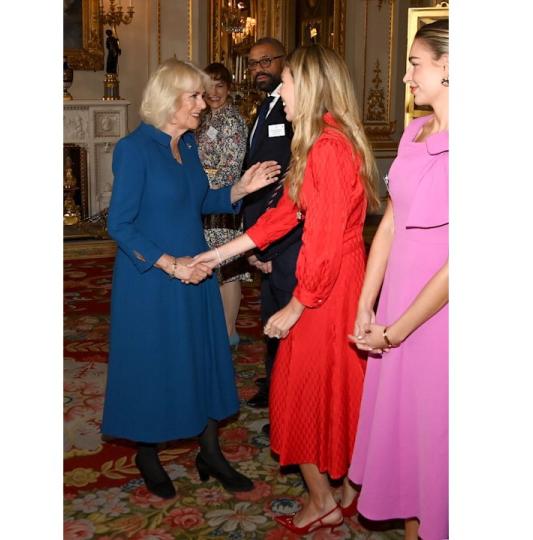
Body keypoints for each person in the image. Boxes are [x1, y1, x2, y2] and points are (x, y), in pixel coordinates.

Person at [192, 45, 380, 535]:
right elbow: (283, 216)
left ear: (311, 86)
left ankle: (323, 500)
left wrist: (298, 304)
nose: (280, 90)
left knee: (298, 389)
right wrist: (217, 255)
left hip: (328, 287)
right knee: (334, 388)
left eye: (288, 81)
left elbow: (321, 241)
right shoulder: (319, 141)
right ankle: (342, 493)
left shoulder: (329, 148)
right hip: (331, 281)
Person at [102, 58, 282, 500]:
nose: (204, 103)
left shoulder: (189, 147)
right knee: (154, 362)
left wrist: (239, 189)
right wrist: (169, 263)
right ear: (169, 100)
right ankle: (148, 452)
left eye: (203, 95)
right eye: (195, 96)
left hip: (196, 271)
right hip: (153, 279)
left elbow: (199, 201)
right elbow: (120, 225)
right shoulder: (134, 148)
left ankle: (210, 450)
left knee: (203, 357)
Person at [348, 19, 450, 540]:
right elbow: (390, 221)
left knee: (438, 437)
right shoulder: (414, 131)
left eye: (415, 63)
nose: (407, 75)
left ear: (449, 67)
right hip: (397, 308)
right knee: (410, 437)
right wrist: (369, 304)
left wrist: (397, 330)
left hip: (439, 319)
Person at [240, 37, 299, 419]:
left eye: (265, 61)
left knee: (287, 319)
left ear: (284, 61)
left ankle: (287, 396)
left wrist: (268, 244)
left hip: (283, 235)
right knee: (271, 316)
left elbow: (290, 184)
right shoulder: (267, 105)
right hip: (264, 230)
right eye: (253, 63)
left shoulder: (295, 111)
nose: (258, 68)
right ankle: (275, 383)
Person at [197, 62, 250, 348]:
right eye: (208, 86)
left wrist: (205, 188)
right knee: (210, 267)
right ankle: (215, 326)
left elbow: (231, 168)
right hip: (201, 203)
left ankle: (229, 330)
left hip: (223, 202)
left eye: (219, 86)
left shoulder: (232, 121)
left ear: (229, 88)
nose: (213, 92)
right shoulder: (202, 118)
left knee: (228, 267)